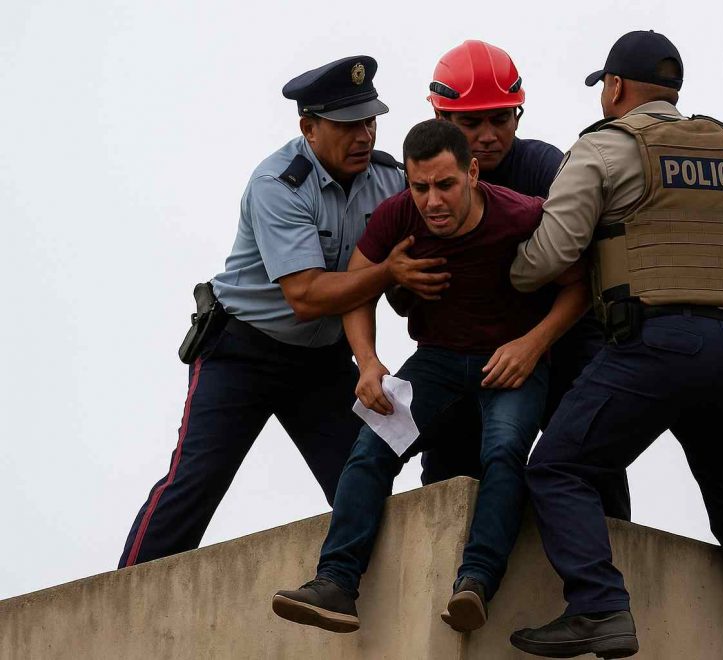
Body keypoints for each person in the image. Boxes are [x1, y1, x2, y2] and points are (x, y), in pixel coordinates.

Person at [507, 31, 723, 660]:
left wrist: (506, 271)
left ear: (615, 88)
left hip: (657, 346)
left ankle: (598, 607)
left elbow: (547, 257)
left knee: (558, 467)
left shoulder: (606, 147)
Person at [118, 56, 446, 568]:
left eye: (369, 120)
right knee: (195, 482)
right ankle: (123, 608)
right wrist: (388, 274)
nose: (363, 135)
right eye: (346, 125)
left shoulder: (389, 179)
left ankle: (355, 595)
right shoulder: (278, 184)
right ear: (309, 128)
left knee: (361, 477)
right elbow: (307, 295)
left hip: (320, 362)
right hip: (243, 353)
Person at [271, 119, 589, 635]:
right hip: (437, 360)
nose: (433, 200)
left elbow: (579, 286)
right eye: (420, 187)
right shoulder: (399, 215)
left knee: (505, 450)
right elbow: (356, 287)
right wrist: (368, 362)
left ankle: (476, 582)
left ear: (473, 173)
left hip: (509, 359)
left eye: (445, 185)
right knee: (373, 441)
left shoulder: (521, 214)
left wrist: (534, 345)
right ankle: (335, 582)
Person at [417, 40, 632, 521]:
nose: (489, 135)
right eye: (471, 123)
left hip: (562, 334)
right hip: (473, 344)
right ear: (439, 121)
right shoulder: (420, 184)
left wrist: (533, 345)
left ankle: (618, 557)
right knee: (449, 467)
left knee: (589, 450)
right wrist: (397, 276)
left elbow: (589, 274)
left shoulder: (545, 167)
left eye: (501, 118)